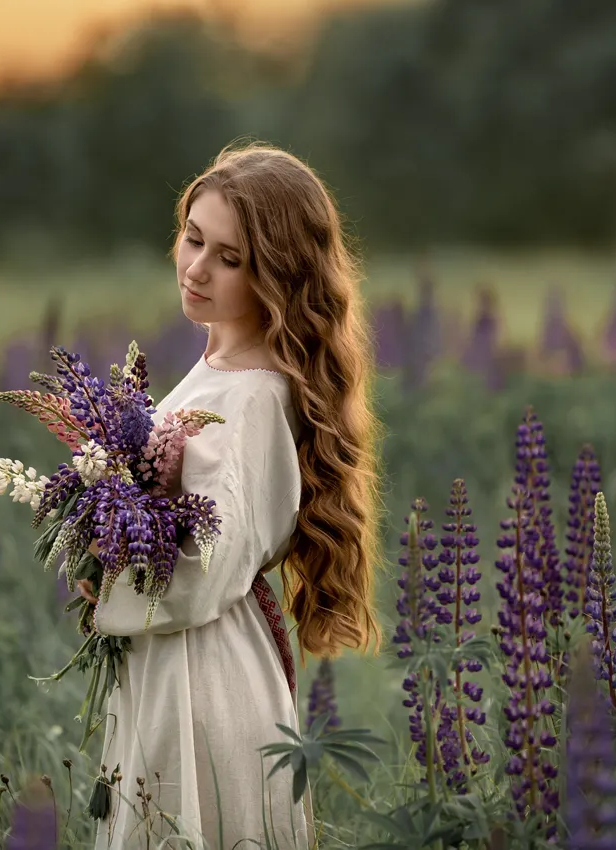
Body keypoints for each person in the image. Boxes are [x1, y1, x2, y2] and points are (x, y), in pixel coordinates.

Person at [79, 141, 384, 850]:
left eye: (229, 258)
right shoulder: (220, 363)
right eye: (193, 239)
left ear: (278, 275)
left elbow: (204, 573)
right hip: (173, 656)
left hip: (202, 671)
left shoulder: (250, 397)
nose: (196, 268)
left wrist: (108, 586)